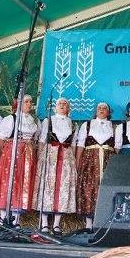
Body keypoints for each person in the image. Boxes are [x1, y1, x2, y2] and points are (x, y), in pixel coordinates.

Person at [0, 94, 39, 225]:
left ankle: (16, 220)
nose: (29, 104)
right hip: (13, 154)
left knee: (23, 184)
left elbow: (35, 140)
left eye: (30, 102)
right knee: (9, 182)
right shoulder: (11, 119)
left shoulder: (33, 120)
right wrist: (7, 153)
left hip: (28, 155)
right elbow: (0, 139)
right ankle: (3, 219)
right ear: (19, 104)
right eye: (26, 102)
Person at [34, 98, 78, 235]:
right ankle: (44, 224)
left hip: (66, 157)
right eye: (60, 104)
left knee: (63, 187)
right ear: (55, 107)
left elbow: (74, 144)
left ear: (69, 108)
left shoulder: (73, 124)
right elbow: (42, 140)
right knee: (47, 187)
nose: (62, 105)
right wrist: (40, 158)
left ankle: (57, 224)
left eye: (65, 104)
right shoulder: (48, 121)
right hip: (50, 155)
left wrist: (73, 161)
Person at [75, 102, 117, 230]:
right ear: (96, 111)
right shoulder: (87, 125)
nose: (102, 110)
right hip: (90, 161)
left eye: (104, 108)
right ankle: (89, 222)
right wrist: (78, 162)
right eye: (99, 108)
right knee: (89, 187)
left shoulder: (114, 127)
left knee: (106, 188)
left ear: (109, 112)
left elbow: (116, 147)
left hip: (108, 160)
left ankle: (103, 221)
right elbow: (80, 145)